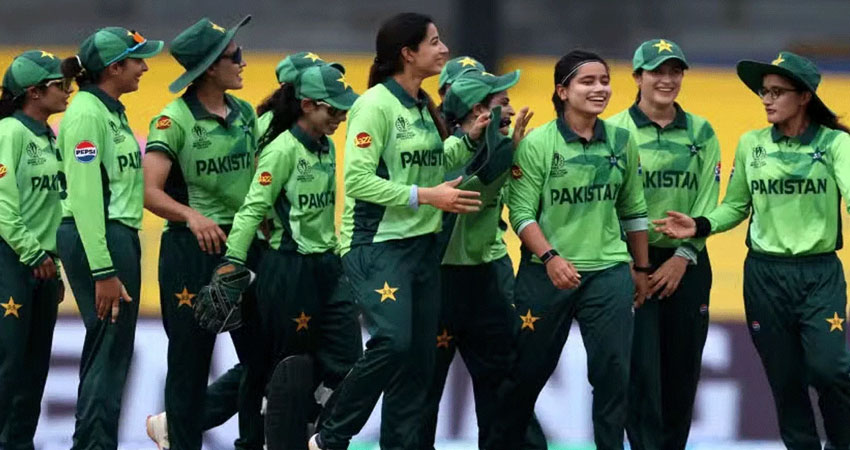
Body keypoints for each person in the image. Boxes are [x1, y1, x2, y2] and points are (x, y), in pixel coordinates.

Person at [308, 12, 489, 450]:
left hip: (421, 247)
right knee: (393, 341)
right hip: (377, 245)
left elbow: (429, 163)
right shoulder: (374, 105)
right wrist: (427, 196)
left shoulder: (423, 105)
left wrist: (468, 138)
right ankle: (329, 436)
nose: (444, 49)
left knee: (417, 365)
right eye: (434, 42)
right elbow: (358, 181)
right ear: (408, 53)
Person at [653, 51, 850, 450]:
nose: (767, 100)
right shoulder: (751, 144)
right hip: (764, 276)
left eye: (778, 92)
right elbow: (736, 206)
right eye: (764, 92)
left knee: (830, 369)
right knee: (786, 382)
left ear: (804, 96)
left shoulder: (835, 143)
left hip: (819, 275)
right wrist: (700, 224)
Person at [487, 50, 650, 450]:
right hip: (545, 275)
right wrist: (550, 257)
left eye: (604, 81)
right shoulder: (538, 144)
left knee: (613, 375)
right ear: (562, 91)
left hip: (608, 272)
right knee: (525, 373)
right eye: (587, 81)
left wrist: (641, 267)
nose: (600, 89)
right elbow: (521, 214)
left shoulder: (622, 141)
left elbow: (633, 209)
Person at [141, 16, 266, 450]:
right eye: (235, 56)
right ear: (211, 67)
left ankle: (250, 443)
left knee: (260, 358)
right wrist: (192, 217)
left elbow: (256, 176)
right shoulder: (172, 120)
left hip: (243, 246)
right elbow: (149, 192)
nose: (243, 62)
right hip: (191, 250)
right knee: (190, 362)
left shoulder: (245, 113)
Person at [224, 63, 362, 447]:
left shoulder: (326, 146)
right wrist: (232, 262)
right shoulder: (281, 150)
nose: (340, 118)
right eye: (332, 110)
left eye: (343, 110)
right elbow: (253, 209)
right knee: (288, 371)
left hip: (328, 265)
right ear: (307, 105)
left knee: (350, 360)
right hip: (288, 267)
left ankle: (315, 425)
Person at [422, 68, 545, 450]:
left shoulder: (507, 147)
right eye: (503, 103)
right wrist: (487, 148)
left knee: (504, 383)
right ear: (479, 111)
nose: (511, 110)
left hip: (486, 275)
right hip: (439, 280)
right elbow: (462, 180)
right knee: (422, 388)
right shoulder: (438, 152)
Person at [607, 38, 720, 450]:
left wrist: (683, 257)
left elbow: (708, 199)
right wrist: (631, 260)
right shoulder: (614, 130)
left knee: (681, 372)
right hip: (630, 262)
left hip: (687, 264)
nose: (667, 80)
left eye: (675, 72)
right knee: (639, 372)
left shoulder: (701, 131)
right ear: (637, 77)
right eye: (657, 72)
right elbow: (607, 200)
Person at [56, 26, 163, 449]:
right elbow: (85, 195)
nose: (144, 67)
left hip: (110, 234)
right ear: (114, 67)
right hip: (100, 236)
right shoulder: (87, 113)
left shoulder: (109, 111)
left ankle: (92, 443)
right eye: (137, 60)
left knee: (109, 349)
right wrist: (103, 269)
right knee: (110, 349)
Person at [0, 49, 70, 449]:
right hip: (12, 260)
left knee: (33, 372)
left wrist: (53, 264)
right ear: (34, 92)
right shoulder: (9, 133)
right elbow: (2, 205)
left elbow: (53, 208)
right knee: (8, 366)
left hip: (43, 265)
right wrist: (33, 254)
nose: (68, 89)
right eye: (59, 84)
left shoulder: (49, 136)